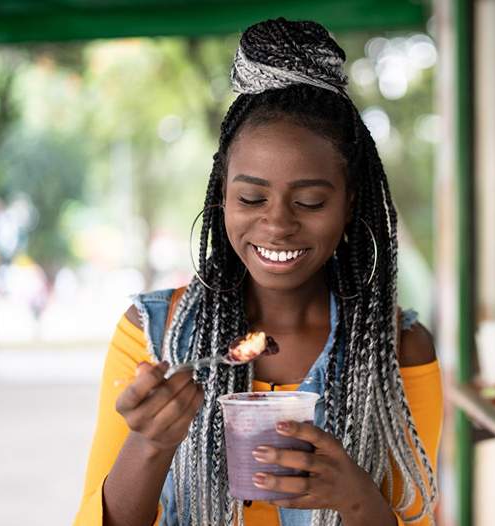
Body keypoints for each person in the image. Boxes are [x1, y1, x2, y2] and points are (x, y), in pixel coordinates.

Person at [75, 18, 441, 526]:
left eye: (310, 201)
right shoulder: (151, 336)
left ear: (350, 203)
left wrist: (357, 498)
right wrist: (150, 442)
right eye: (250, 197)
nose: (277, 223)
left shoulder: (397, 349)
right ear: (222, 194)